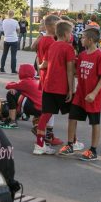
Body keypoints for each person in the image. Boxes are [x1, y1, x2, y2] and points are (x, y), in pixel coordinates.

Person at [60, 28, 101, 161]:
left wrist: (94, 93)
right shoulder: (82, 55)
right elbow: (75, 71)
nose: (81, 39)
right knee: (72, 118)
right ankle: (70, 144)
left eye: (83, 37)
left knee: (95, 123)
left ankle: (93, 150)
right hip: (80, 94)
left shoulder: (100, 55)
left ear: (90, 40)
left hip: (92, 97)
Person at [34, 20, 75, 156]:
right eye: (71, 32)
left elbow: (44, 64)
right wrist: (71, 89)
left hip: (48, 85)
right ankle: (73, 141)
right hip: (61, 86)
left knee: (45, 115)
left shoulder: (52, 45)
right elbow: (70, 70)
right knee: (73, 113)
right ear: (66, 33)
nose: (72, 35)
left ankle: (39, 145)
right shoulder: (68, 48)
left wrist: (39, 67)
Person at [1, 63, 42, 129]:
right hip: (42, 109)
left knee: (11, 94)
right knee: (20, 92)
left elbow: (8, 86)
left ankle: (12, 121)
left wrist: (13, 86)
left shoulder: (25, 82)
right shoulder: (34, 80)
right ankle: (23, 114)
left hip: (35, 108)